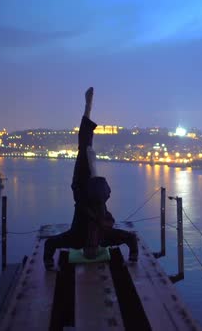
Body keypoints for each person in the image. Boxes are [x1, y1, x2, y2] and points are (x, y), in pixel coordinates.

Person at [44, 87, 138, 270]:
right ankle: (88, 107)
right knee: (86, 150)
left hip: (81, 188)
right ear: (98, 248)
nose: (91, 247)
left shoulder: (76, 239)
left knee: (84, 148)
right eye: (94, 249)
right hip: (97, 189)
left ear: (83, 250)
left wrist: (49, 263)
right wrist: (133, 257)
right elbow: (130, 239)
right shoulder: (105, 237)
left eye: (88, 250)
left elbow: (50, 244)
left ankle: (88, 107)